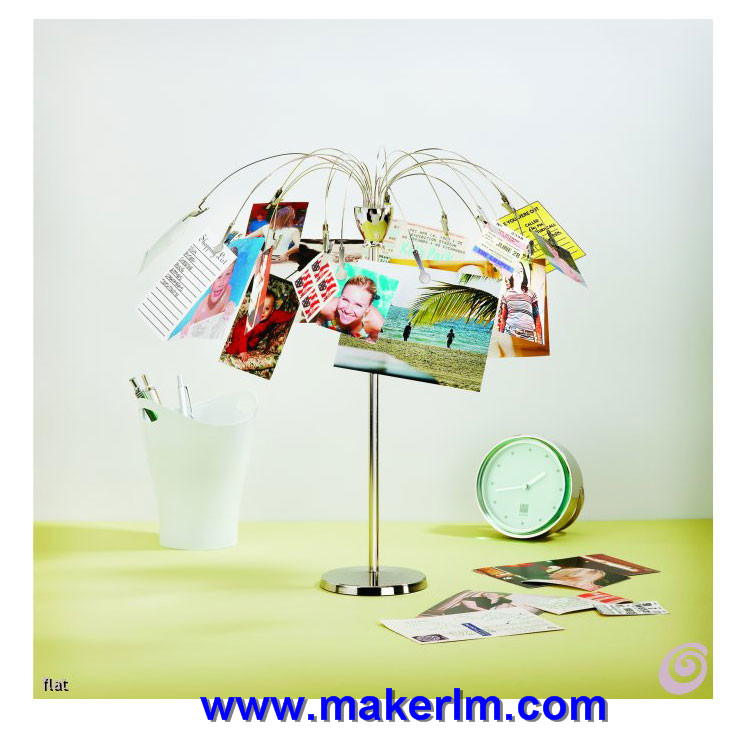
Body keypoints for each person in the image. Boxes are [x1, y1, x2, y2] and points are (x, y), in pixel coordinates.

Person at [178, 249, 237, 337]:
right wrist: (189, 325)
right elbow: (192, 322)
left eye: (227, 274)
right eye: (218, 276)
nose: (222, 282)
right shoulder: (203, 309)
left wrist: (231, 304)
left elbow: (227, 303)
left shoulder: (228, 288)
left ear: (232, 273)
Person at [224, 290, 296, 360]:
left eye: (267, 308)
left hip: (255, 335)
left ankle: (249, 345)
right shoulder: (250, 321)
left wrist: (292, 316)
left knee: (252, 344)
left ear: (272, 311)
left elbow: (280, 315)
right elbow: (243, 336)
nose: (262, 311)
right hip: (241, 331)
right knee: (236, 347)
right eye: (260, 307)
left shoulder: (272, 315)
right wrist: (243, 351)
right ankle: (228, 350)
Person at [316, 275, 384, 342]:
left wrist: (372, 339)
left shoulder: (375, 324)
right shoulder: (326, 307)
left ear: (368, 308)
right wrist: (319, 321)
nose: (348, 311)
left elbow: (375, 338)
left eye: (358, 305)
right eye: (345, 300)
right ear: (340, 296)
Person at [497, 262, 543, 343]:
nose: (519, 273)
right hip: (510, 332)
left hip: (528, 335)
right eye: (516, 270)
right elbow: (502, 318)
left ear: (524, 274)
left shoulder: (531, 293)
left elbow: (537, 318)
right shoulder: (506, 295)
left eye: (521, 271)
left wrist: (539, 340)